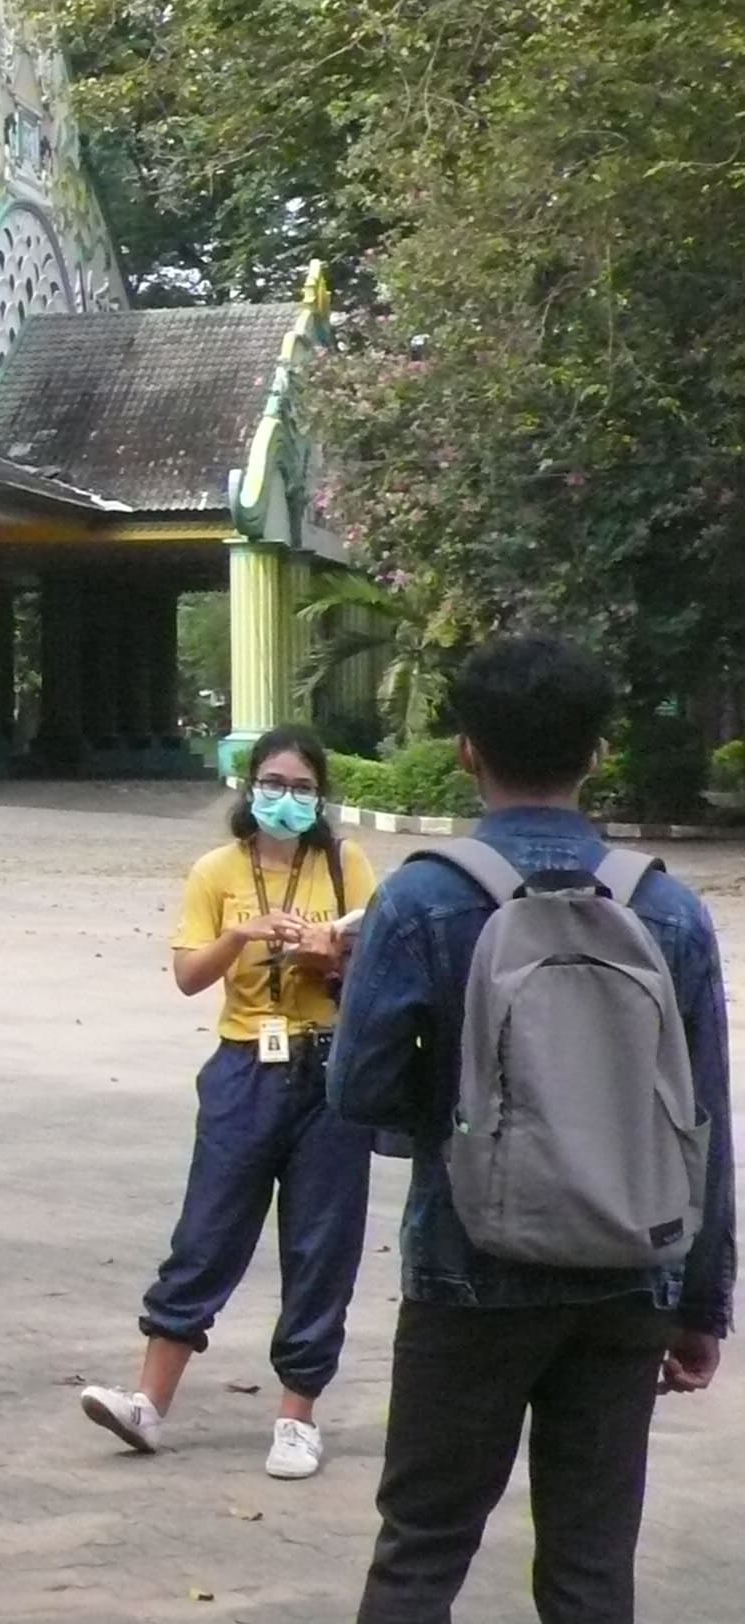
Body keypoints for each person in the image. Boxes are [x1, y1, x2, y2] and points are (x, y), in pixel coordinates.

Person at [331, 635, 733, 1622]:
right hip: (626, 1271)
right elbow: (704, 1123)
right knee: (592, 1569)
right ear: (598, 753)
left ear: (467, 750)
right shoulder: (669, 910)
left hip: (469, 1264)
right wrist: (702, 1304)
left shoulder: (424, 897)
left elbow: (359, 1089)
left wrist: (473, 1128)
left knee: (422, 1551)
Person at [78, 728, 379, 1479]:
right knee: (207, 1231)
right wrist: (244, 931)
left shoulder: (345, 865)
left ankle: (296, 1417)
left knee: (321, 1244)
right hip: (246, 1066)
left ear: (322, 795)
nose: (288, 799)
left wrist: (330, 951)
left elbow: (383, 956)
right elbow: (186, 975)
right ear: (249, 788)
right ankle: (148, 1402)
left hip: (330, 1066)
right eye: (274, 783)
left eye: (304, 787)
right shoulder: (217, 871)